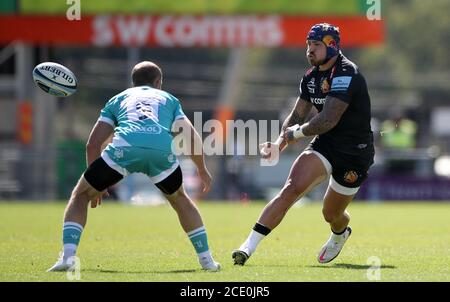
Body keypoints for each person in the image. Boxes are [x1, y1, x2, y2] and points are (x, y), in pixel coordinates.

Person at [48, 61, 220, 272]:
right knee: (180, 199)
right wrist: (201, 169)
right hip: (160, 152)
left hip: (124, 149)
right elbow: (191, 136)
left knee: (80, 195)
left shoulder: (118, 99)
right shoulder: (169, 99)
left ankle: (68, 257)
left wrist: (97, 183)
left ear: (133, 82)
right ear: (158, 82)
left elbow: (93, 143)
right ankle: (207, 261)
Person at [232, 23, 375, 265]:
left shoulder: (346, 72)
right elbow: (297, 115)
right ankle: (248, 246)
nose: (310, 50)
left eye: (316, 45)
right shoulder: (311, 77)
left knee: (331, 214)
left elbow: (328, 119)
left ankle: (340, 234)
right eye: (308, 45)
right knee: (291, 188)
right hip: (326, 146)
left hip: (355, 153)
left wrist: (292, 135)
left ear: (332, 46)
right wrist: (279, 142)